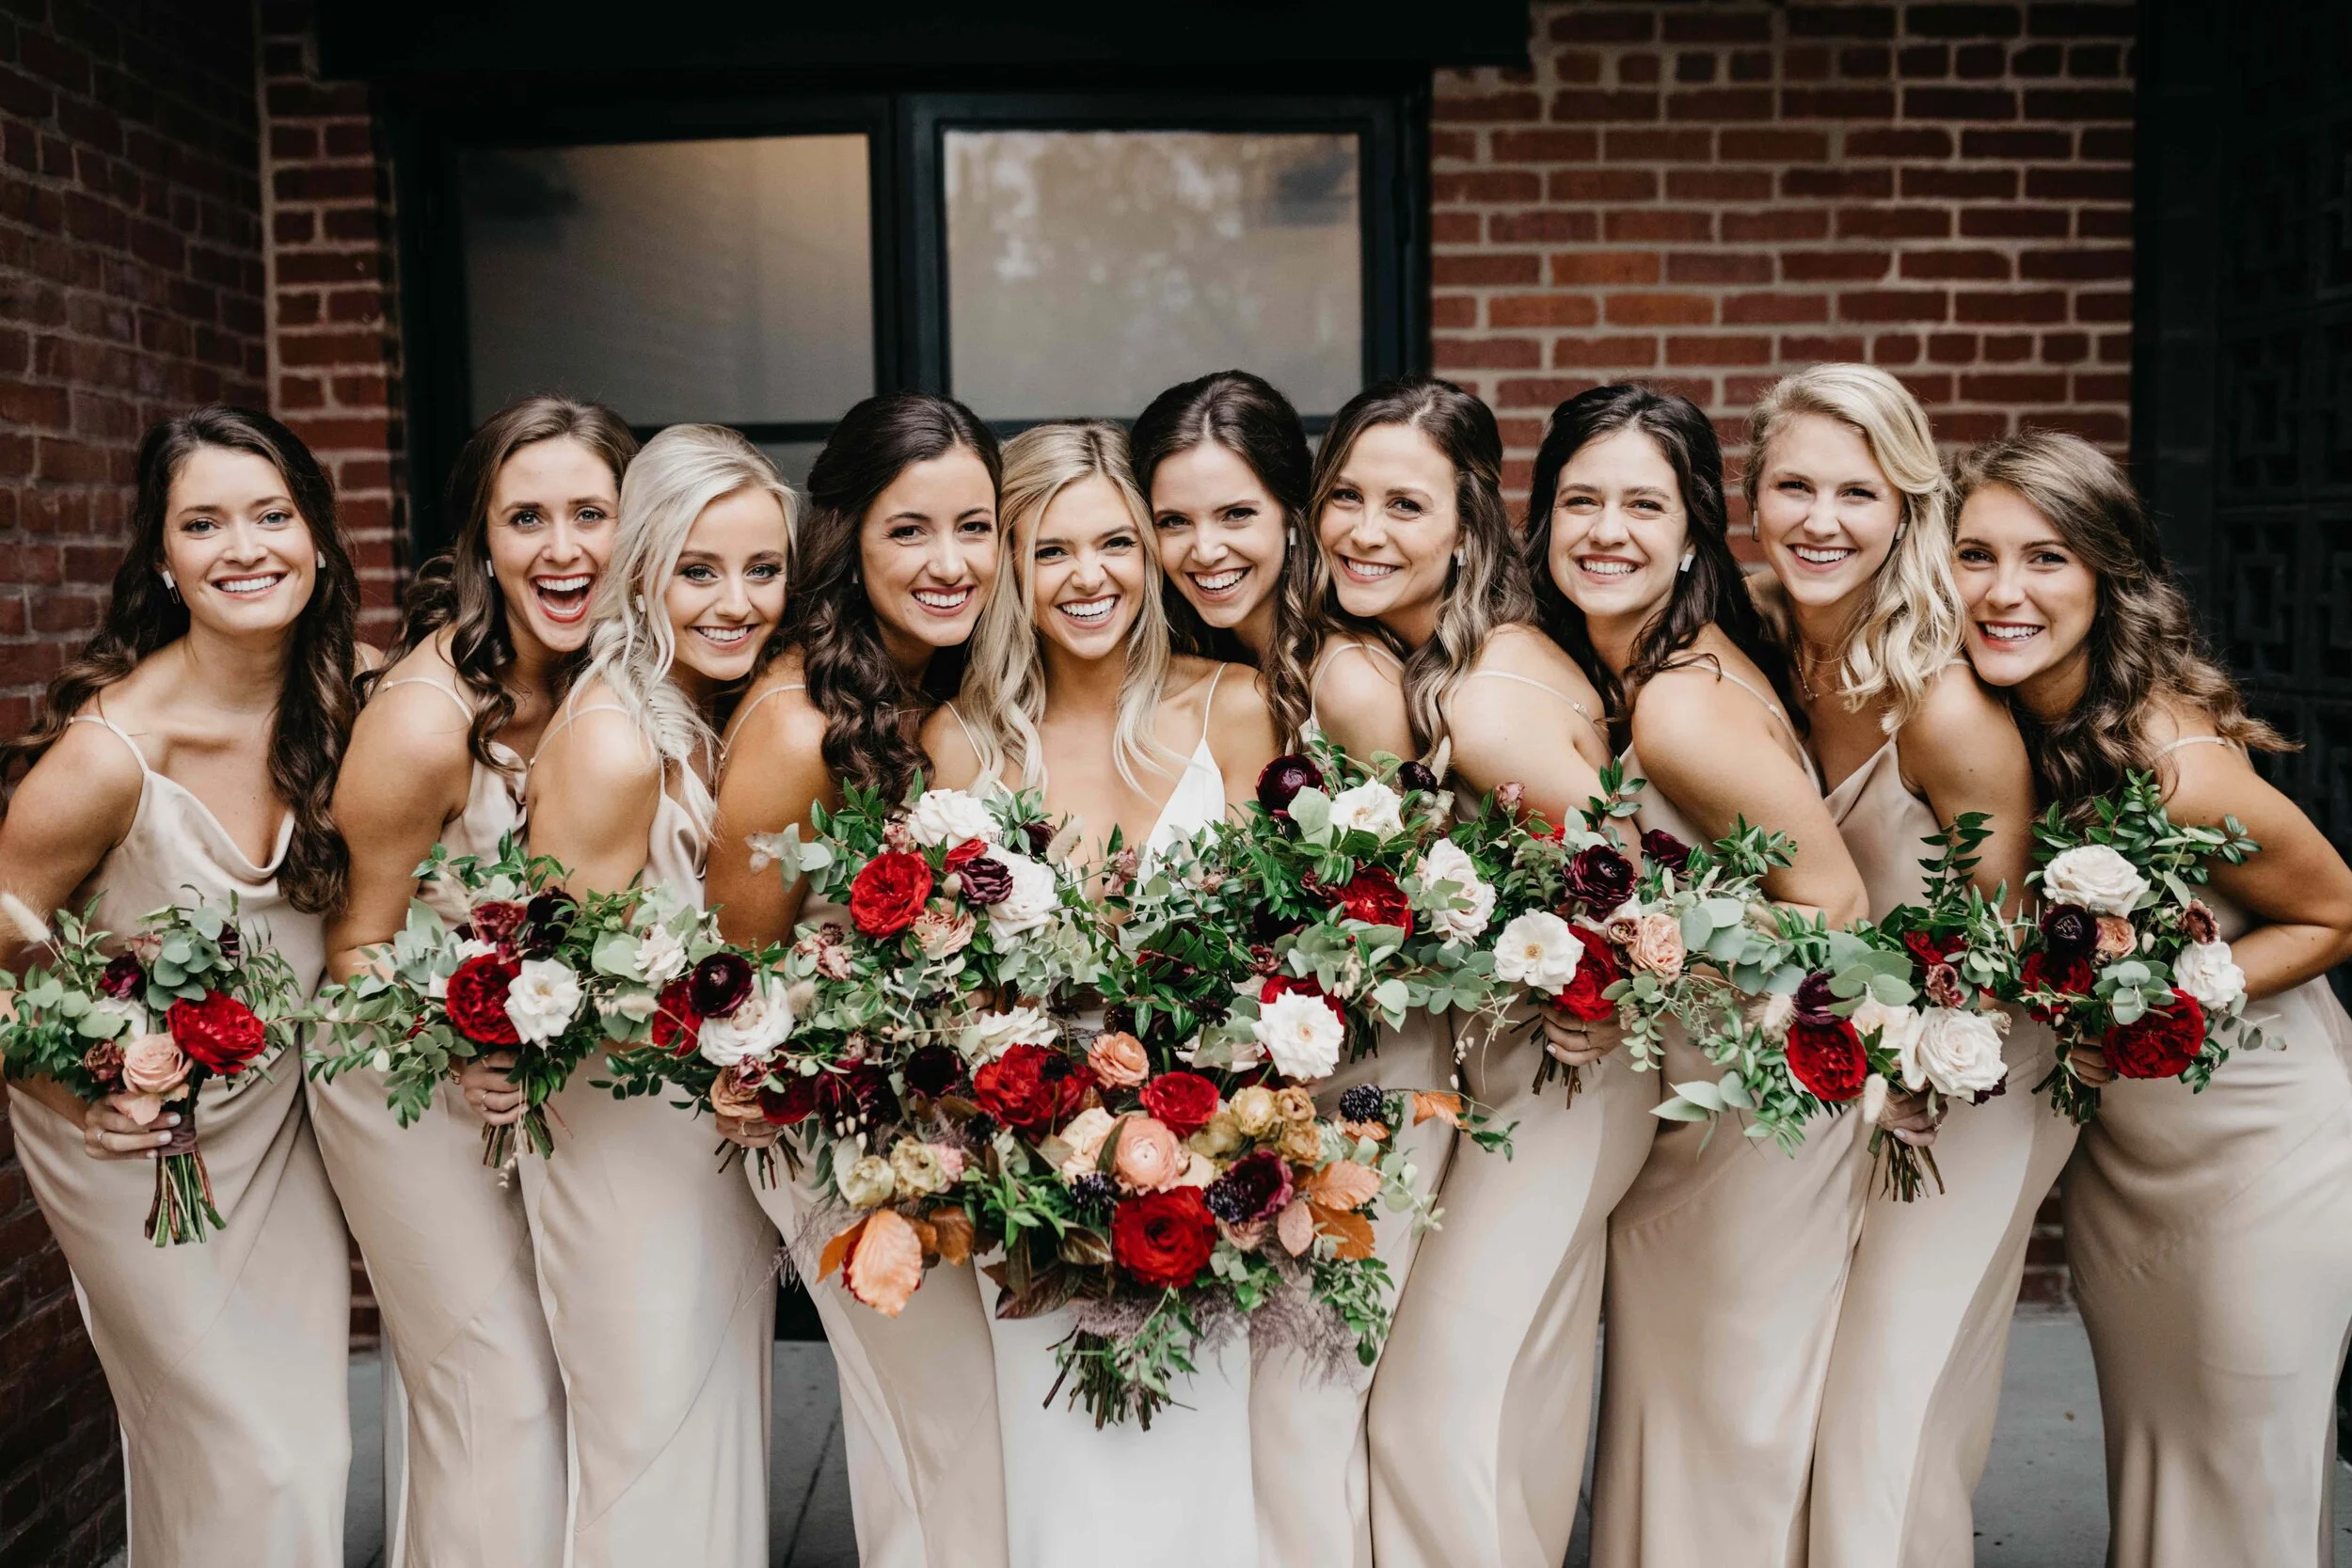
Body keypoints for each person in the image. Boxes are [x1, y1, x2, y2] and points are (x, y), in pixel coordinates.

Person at [1953, 429, 2352, 1568]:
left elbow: (2332, 913)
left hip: (2258, 1143)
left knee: (2248, 1459)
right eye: (1975, 556)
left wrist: (2174, 991)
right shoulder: (2016, 723)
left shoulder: (2173, 764)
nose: (2002, 590)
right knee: (2167, 1454)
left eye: (2045, 559)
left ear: (2105, 576)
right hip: (2136, 1155)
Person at [0, 405, 360, 1564]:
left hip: (279, 1135)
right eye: (202, 523)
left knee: (307, 1450)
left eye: (271, 514)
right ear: (163, 558)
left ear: (316, 538)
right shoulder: (110, 756)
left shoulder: (359, 701)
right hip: (134, 1152)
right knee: (246, 1452)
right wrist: (81, 1089)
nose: (243, 547)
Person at [922, 420, 1279, 1568]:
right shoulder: (963, 740)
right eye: (1051, 550)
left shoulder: (1232, 703)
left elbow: (1278, 938)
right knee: (1062, 1476)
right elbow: (948, 974)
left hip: (1207, 1157)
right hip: (1026, 1174)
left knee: (1203, 1460)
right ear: (1010, 572)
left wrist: (1209, 1132)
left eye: (1117, 542)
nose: (1090, 578)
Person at [1532, 385, 1871, 1568]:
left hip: (1754, 1117)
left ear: (1691, 533)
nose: (1606, 530)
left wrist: (1635, 973)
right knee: (1689, 1421)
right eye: (1580, 499)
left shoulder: (1678, 703)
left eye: (1643, 503)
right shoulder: (1649, 663)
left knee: (1724, 1424)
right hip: (1699, 1107)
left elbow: (1835, 911)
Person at [1740, 364, 2073, 1566]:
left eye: (1857, 491)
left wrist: (1916, 1056)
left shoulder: (1943, 708)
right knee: (1825, 1396)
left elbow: (2004, 933)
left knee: (1893, 1406)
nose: (1820, 519)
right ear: (1753, 497)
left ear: (1906, 508)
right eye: (1793, 486)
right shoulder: (1769, 653)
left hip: (1971, 1075)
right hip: (1857, 1068)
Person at [1324, 376, 1645, 1568]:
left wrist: (1600, 997)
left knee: (1433, 1410)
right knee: (1518, 1396)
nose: (1364, 528)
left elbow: (1642, 889)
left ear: (1469, 525)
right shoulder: (1431, 653)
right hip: (1501, 1083)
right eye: (1344, 496)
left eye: (1403, 504)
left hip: (1561, 1089)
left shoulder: (1489, 694)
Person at [317, 394, 633, 1568]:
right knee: (491, 1386)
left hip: (532, 1076)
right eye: (526, 518)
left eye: (591, 513)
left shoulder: (616, 681)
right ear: (483, 545)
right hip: (399, 1079)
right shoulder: (420, 717)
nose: (564, 548)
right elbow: (354, 947)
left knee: (554, 1372)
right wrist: (467, 1039)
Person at [1132, 369, 1434, 1566]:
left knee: (1308, 1405)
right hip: (1268, 1082)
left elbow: (1403, 909)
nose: (1204, 548)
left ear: (1293, 514)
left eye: (1236, 514)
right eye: (1174, 519)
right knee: (1265, 1408)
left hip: (1367, 1081)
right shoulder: (1209, 665)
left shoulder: (1348, 679)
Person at [706, 391, 1010, 1568]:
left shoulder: (946, 682)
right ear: (846, 535)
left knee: (946, 1446)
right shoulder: (794, 725)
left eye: (974, 527)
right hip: (849, 1135)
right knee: (946, 1443)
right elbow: (736, 978)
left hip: (950, 1119)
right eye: (909, 530)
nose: (951, 563)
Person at [511, 423, 791, 1568]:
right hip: (620, 1143)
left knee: (707, 1431)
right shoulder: (615, 742)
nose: (736, 601)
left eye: (762, 569)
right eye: (699, 569)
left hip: (694, 1134)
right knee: (650, 1439)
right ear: (642, 572)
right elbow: (547, 976)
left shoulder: (703, 711)